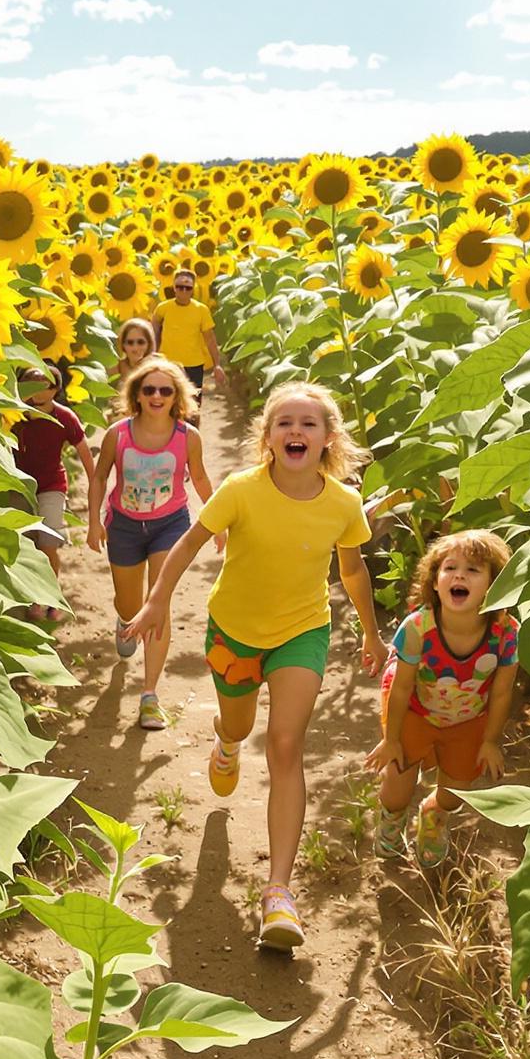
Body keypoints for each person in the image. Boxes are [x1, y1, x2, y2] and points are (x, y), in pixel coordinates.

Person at [121, 381, 377, 951]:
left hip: (302, 634)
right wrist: (159, 597)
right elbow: (188, 544)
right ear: (267, 436)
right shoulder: (241, 489)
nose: (296, 431)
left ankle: (278, 893)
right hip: (234, 633)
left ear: (328, 439)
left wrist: (371, 632)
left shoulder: (343, 503)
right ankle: (226, 740)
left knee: (286, 744)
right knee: (239, 725)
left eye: (308, 424)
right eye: (284, 422)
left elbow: (353, 571)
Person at [364, 530, 518, 862]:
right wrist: (391, 739)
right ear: (436, 582)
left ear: (495, 586)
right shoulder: (418, 627)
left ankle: (435, 815)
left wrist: (490, 741)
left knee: (458, 790)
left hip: (468, 716)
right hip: (414, 709)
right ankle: (392, 819)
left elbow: (503, 691)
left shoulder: (505, 633)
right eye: (450, 568)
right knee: (396, 783)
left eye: (474, 570)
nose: (459, 574)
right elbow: (402, 687)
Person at [86, 356, 213, 732]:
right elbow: (99, 477)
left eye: (166, 390)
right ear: (136, 395)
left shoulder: (187, 437)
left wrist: (220, 521)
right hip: (124, 526)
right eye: (149, 389)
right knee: (131, 604)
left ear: (177, 397)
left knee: (158, 602)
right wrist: (94, 521)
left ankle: (150, 696)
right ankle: (126, 621)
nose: (157, 396)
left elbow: (202, 479)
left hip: (169, 526)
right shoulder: (118, 434)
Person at [11, 363, 90, 618]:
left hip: (51, 485)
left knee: (48, 544)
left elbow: (84, 450)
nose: (37, 390)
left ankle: (51, 598)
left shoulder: (64, 416)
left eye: (44, 384)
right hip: (19, 484)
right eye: (30, 383)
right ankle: (33, 596)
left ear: (55, 389)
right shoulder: (13, 415)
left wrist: (95, 483)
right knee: (26, 545)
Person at [151, 272, 222, 394]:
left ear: (192, 289)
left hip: (194, 365)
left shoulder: (201, 310)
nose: (183, 291)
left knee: (194, 403)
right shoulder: (163, 308)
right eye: (179, 287)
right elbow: (153, 333)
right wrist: (151, 355)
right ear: (174, 287)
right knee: (169, 401)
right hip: (167, 364)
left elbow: (210, 339)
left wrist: (217, 365)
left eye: (188, 288)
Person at [109, 316, 158, 412]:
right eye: (130, 343)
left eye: (141, 342)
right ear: (123, 345)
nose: (135, 348)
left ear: (149, 343)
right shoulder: (116, 368)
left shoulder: (160, 367)